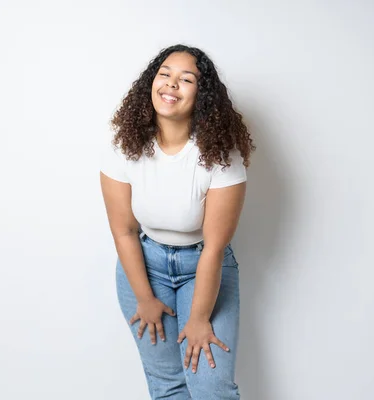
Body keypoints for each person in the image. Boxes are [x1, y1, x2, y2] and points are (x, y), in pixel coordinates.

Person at [99, 44, 255, 399]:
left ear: (201, 95)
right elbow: (123, 231)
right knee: (167, 387)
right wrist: (145, 298)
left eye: (186, 79)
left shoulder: (219, 153)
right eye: (165, 74)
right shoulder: (123, 145)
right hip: (144, 267)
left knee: (210, 388)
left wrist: (199, 319)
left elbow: (215, 248)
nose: (171, 85)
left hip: (203, 265)